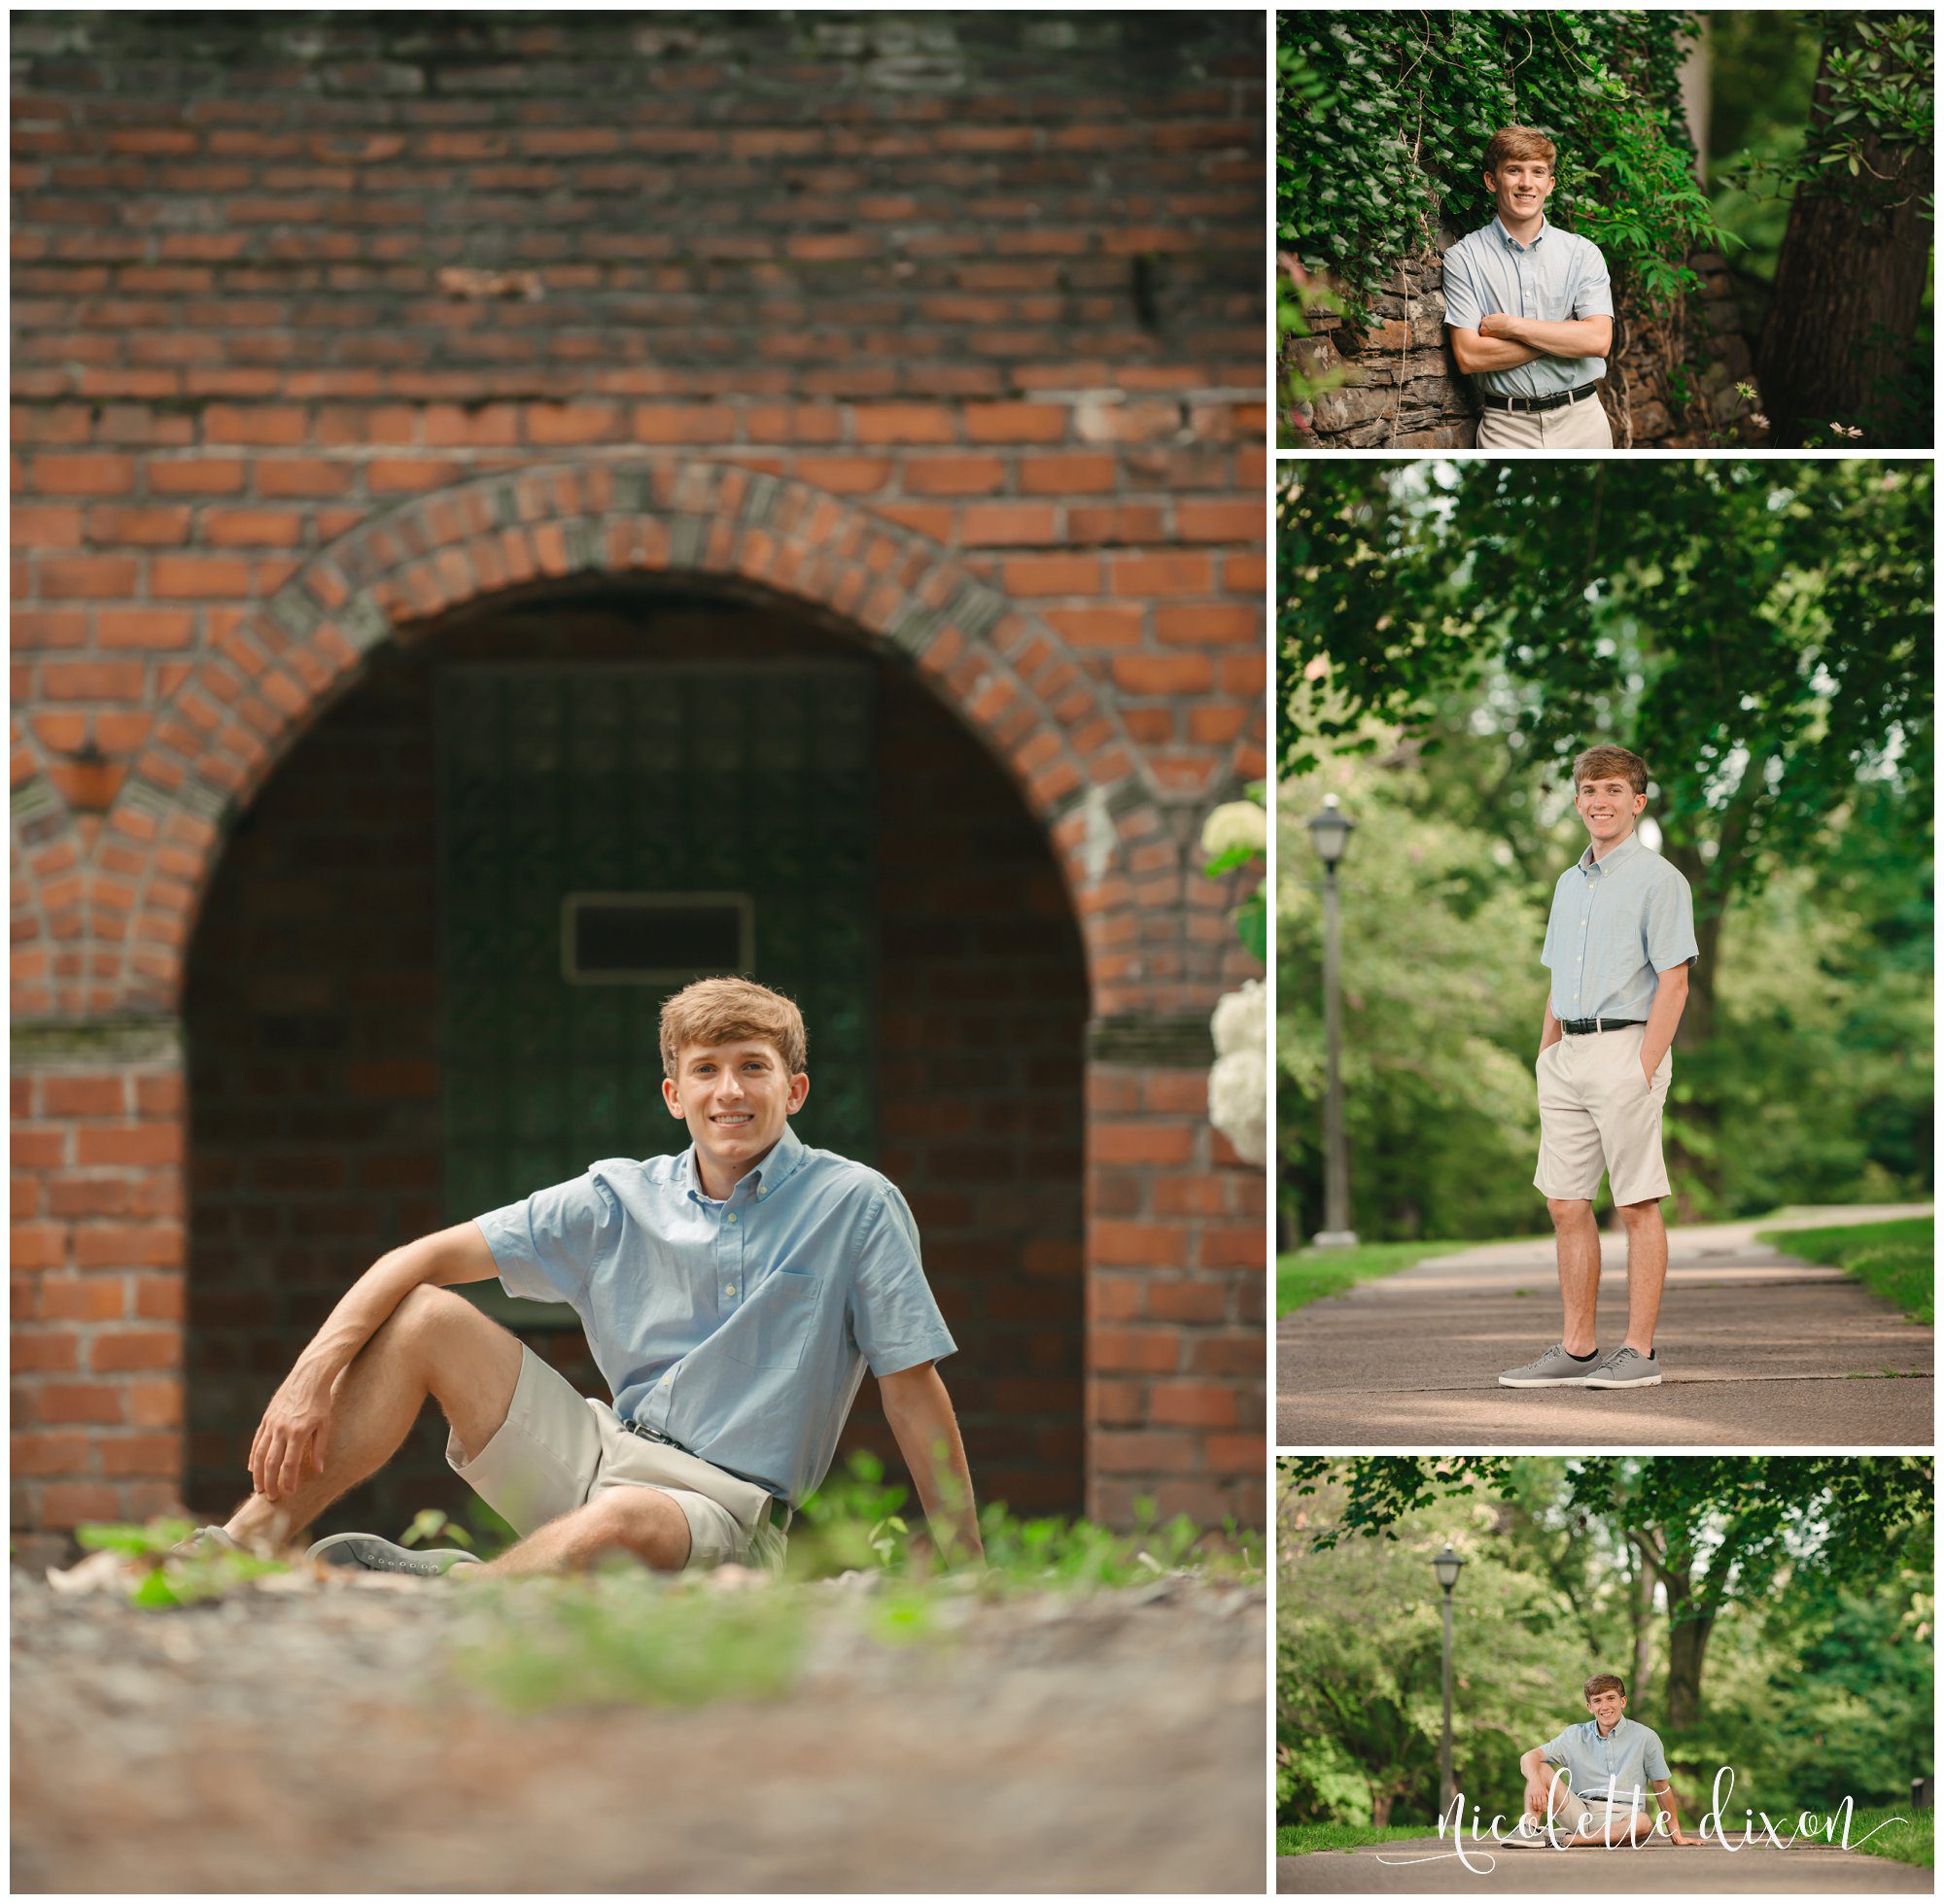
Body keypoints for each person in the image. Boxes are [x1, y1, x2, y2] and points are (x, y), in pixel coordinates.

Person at [182, 976, 982, 1577]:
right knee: (426, 1315)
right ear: (674, 1095)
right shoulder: (616, 1197)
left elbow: (912, 1389)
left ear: (794, 1088)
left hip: (722, 1508)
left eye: (753, 1067)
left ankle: (463, 1595)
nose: (729, 1089)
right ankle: (243, 1541)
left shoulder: (856, 1204)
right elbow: (415, 1259)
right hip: (600, 1451)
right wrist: (308, 1377)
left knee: (624, 1517)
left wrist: (966, 1562)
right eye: (706, 1069)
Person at [1501, 745, 1696, 1391]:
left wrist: (1643, 1067)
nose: (1599, 801)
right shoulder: (1566, 884)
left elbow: (1674, 982)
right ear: (1578, 800)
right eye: (1588, 790)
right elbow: (1558, 978)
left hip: (1625, 1050)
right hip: (1568, 1056)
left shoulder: (1660, 880)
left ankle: (1638, 1352)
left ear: (1637, 801)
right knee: (1564, 1201)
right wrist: (1545, 1054)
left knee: (1636, 1202)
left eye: (1612, 789)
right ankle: (1578, 1348)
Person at [1442, 125, 1615, 451]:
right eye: (1513, 171)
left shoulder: (1582, 253)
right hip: (1505, 430)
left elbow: (1598, 340)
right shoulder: (1464, 258)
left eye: (1537, 172)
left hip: (1583, 423)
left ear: (1549, 185)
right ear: (1492, 181)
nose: (1526, 183)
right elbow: (1468, 355)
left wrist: (1512, 327)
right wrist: (1565, 336)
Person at [1511, 1673, 1693, 1848]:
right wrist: (1535, 1782)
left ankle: (1572, 1841)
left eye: (1610, 1698)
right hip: (1579, 1813)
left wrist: (1676, 1834)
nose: (1604, 1706)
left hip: (1623, 1819)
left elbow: (1661, 1786)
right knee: (1540, 1769)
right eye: (1597, 1701)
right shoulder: (1575, 1735)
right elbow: (1529, 1757)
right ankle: (1529, 1831)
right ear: (1589, 1707)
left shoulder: (1646, 1737)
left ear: (1623, 1701)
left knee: (1644, 1822)